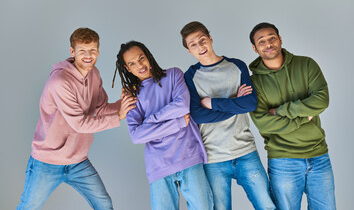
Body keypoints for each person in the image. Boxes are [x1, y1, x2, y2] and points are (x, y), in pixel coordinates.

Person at [17, 28, 136, 210]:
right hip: (47, 161)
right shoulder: (60, 81)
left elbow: (102, 108)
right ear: (72, 52)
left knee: (104, 204)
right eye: (82, 51)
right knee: (28, 208)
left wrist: (126, 103)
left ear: (98, 51)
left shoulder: (94, 74)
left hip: (77, 160)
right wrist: (119, 116)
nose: (88, 56)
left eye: (93, 50)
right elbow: (80, 124)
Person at [181, 21, 275, 210]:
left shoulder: (237, 66)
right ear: (189, 51)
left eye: (202, 40)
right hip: (213, 158)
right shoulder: (190, 76)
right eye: (193, 44)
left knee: (267, 206)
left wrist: (212, 103)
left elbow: (249, 103)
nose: (200, 46)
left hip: (245, 151)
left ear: (210, 39)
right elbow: (198, 116)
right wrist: (234, 102)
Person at [113, 40, 213, 210]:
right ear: (127, 69)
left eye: (141, 58)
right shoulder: (132, 96)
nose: (140, 65)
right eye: (132, 63)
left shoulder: (173, 75)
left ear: (148, 56)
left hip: (189, 156)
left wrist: (150, 120)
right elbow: (137, 135)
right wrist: (177, 122)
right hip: (158, 165)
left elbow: (182, 105)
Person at [249, 22, 336, 210]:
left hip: (319, 155)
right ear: (255, 49)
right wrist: (304, 117)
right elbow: (264, 124)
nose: (268, 43)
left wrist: (281, 111)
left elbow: (321, 100)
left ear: (280, 39)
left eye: (272, 38)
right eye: (261, 41)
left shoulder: (306, 65)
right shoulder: (254, 83)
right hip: (283, 160)